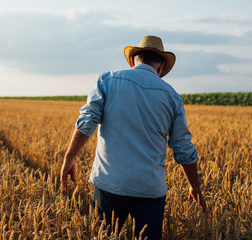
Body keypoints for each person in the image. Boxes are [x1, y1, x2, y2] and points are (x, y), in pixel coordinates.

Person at [60, 35, 207, 239]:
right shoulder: (172, 96)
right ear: (161, 66)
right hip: (150, 190)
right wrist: (195, 186)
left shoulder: (107, 80)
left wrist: (69, 157)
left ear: (132, 61)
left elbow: (87, 122)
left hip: (109, 184)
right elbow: (183, 147)